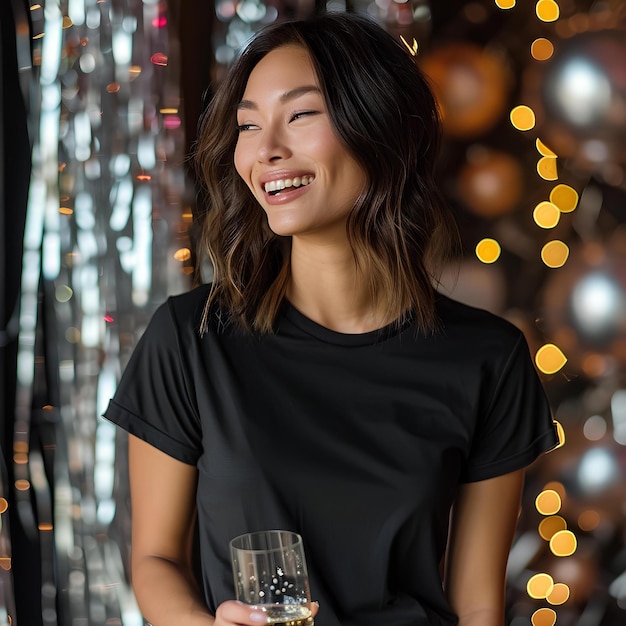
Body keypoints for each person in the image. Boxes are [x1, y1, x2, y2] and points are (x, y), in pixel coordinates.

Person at [104, 12, 559, 626]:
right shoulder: (192, 337)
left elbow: (477, 605)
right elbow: (156, 558)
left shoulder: (489, 358)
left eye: (300, 115)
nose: (265, 150)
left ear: (381, 127)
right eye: (247, 125)